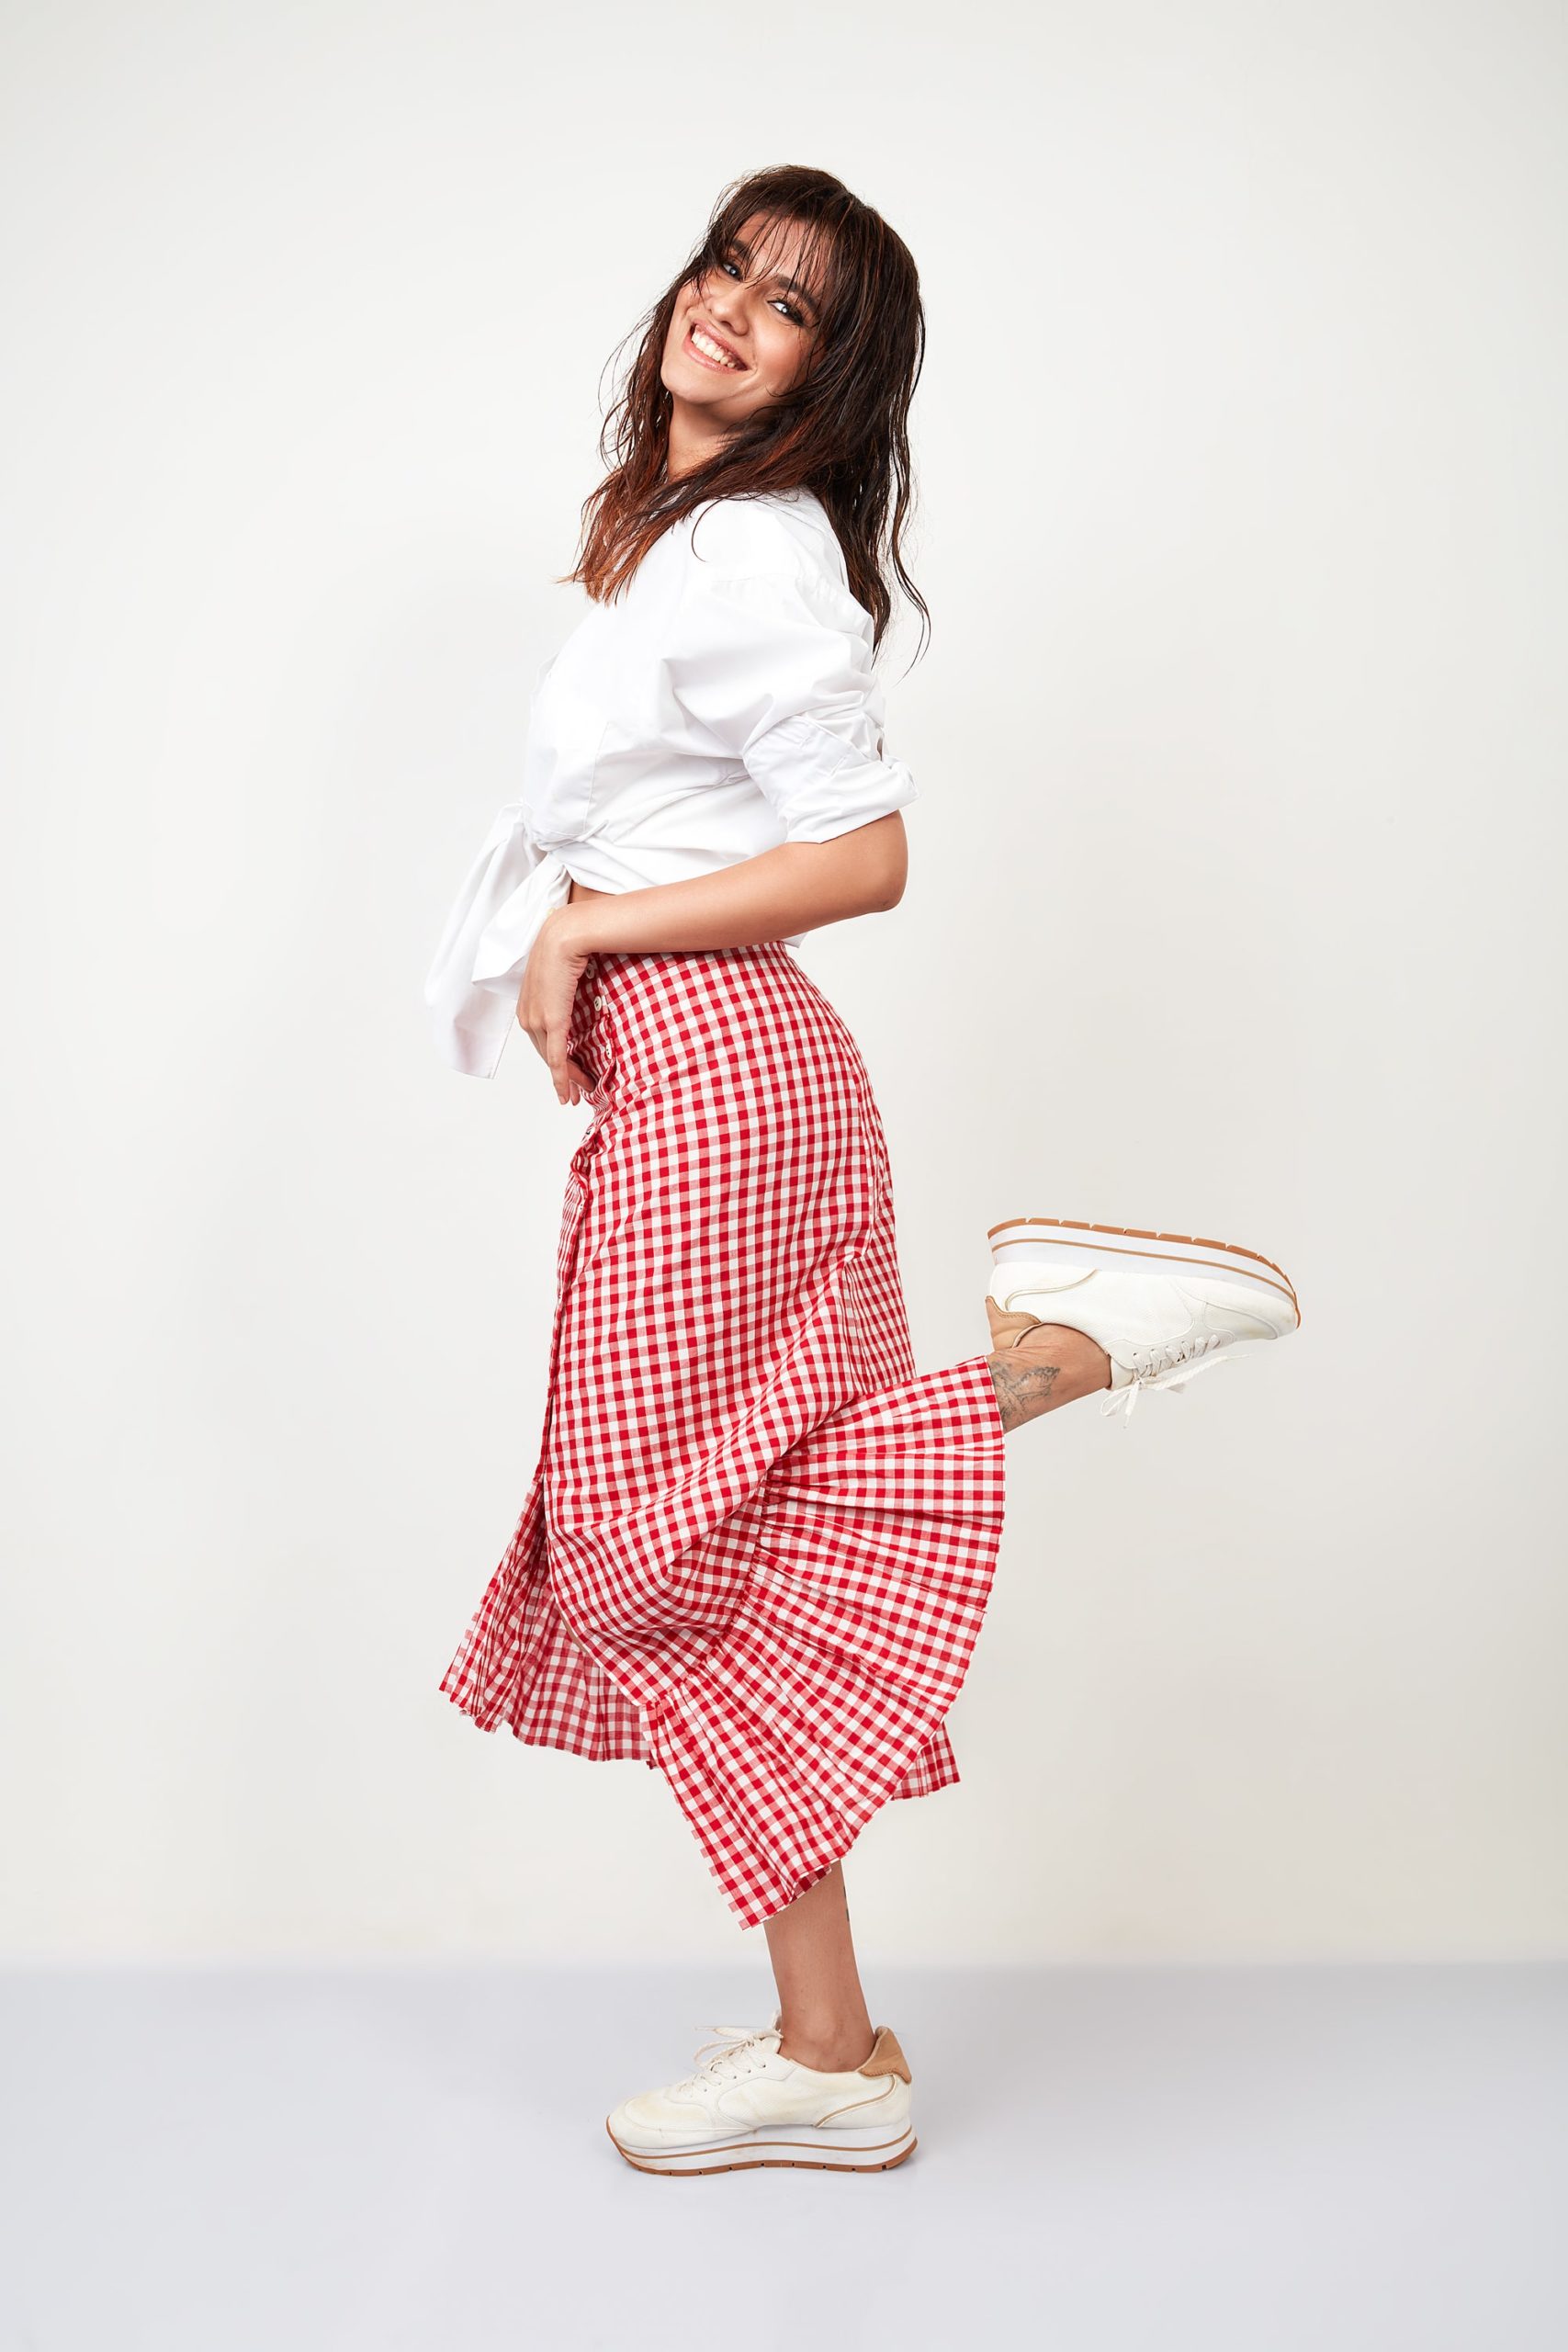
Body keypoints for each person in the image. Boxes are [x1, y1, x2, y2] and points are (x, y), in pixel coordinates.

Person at [423, 164, 1301, 2177]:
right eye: (726, 263)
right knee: (708, 1542)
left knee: (658, 1542)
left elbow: (866, 854)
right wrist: (571, 945)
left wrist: (586, 931)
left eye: (792, 302)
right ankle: (829, 2042)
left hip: (723, 1072)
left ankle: (1082, 1344)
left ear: (831, 373)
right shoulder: (677, 540)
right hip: (710, 1075)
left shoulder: (748, 552)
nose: (731, 305)